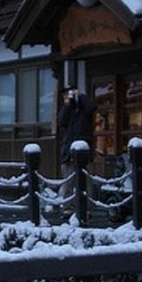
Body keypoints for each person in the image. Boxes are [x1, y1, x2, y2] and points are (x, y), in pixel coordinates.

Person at [57, 86, 96, 214]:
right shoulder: (68, 110)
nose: (68, 97)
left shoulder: (84, 109)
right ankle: (68, 208)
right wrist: (67, 105)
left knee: (86, 182)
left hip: (84, 149)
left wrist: (81, 97)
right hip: (69, 150)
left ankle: (86, 208)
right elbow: (61, 121)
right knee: (68, 181)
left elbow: (92, 108)